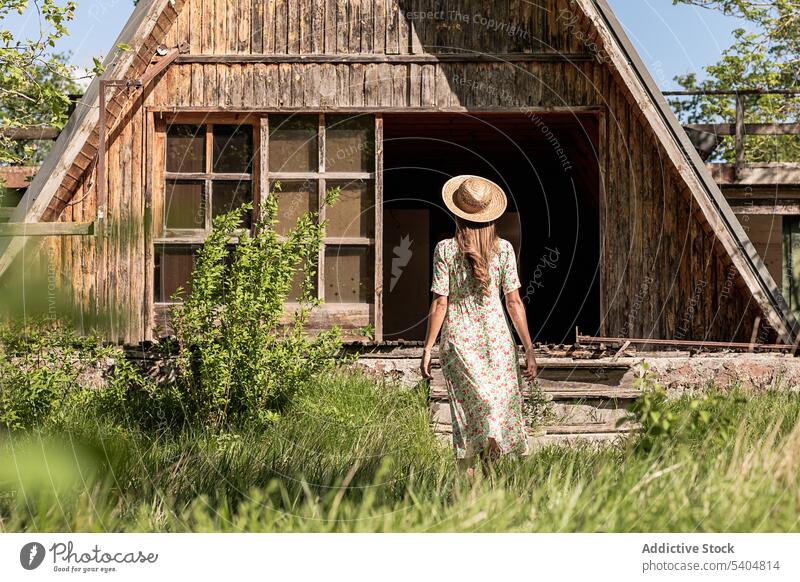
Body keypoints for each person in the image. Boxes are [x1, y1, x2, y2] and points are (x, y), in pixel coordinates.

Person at [420, 175, 538, 481]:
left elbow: (440, 304)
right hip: (497, 340)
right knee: (494, 410)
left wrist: (428, 347)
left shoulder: (445, 249)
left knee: (469, 415)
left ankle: (471, 488)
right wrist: (528, 348)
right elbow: (514, 303)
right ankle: (487, 483)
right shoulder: (504, 250)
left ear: (457, 212)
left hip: (459, 341)